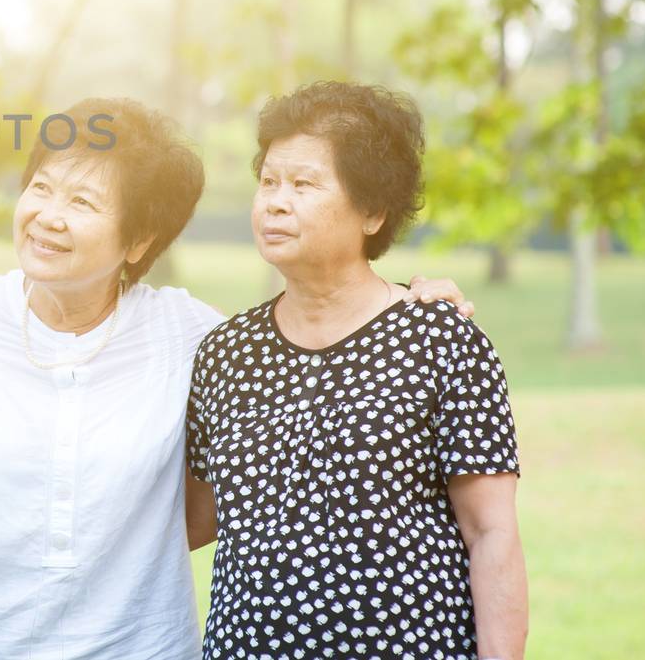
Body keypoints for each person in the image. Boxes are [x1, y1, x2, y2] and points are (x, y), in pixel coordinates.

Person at [0, 97, 473, 659]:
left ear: (139, 237)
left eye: (82, 201)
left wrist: (410, 302)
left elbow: (314, 346)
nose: (47, 215)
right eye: (41, 188)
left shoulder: (194, 336)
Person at [185, 81, 527, 660]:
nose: (274, 201)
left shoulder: (440, 340)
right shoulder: (224, 353)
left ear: (372, 211)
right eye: (267, 181)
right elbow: (196, 518)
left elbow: (490, 534)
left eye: (303, 184)